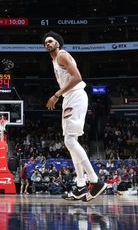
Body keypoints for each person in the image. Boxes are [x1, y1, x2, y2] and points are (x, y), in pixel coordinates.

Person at [43, 31, 108, 202]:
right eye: (45, 43)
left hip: (75, 95)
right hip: (69, 98)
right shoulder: (55, 60)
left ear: (58, 43)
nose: (48, 44)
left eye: (51, 41)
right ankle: (80, 185)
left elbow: (78, 78)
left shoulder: (62, 55)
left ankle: (95, 181)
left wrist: (56, 95)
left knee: (70, 141)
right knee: (71, 141)